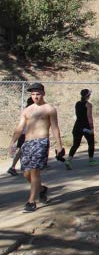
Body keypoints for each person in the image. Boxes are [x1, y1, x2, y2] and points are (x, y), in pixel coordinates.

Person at [7, 83, 64, 213]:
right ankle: (41, 189)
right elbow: (19, 128)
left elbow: (55, 127)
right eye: (33, 94)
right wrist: (12, 143)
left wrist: (59, 145)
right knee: (26, 173)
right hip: (27, 143)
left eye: (38, 94)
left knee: (34, 171)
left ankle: (31, 201)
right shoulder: (26, 110)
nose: (35, 97)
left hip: (41, 142)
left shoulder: (49, 109)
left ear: (43, 93)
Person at [63, 88, 96, 169]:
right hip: (86, 127)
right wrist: (92, 128)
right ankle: (91, 160)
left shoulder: (77, 103)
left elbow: (78, 115)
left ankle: (69, 160)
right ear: (88, 96)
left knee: (76, 144)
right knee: (91, 143)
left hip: (77, 126)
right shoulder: (88, 105)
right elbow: (89, 116)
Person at [7, 97, 34, 176]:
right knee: (23, 151)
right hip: (26, 134)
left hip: (24, 134)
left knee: (22, 151)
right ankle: (15, 167)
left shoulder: (26, 111)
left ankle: (14, 167)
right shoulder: (29, 112)